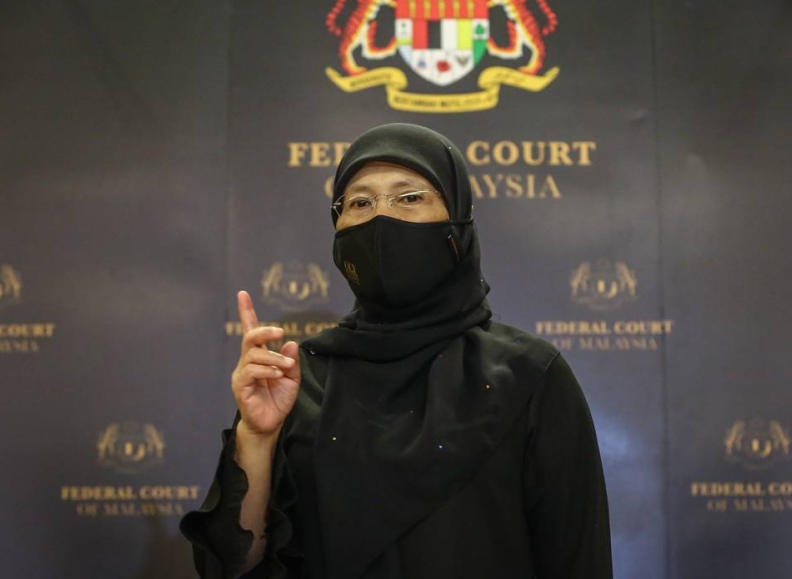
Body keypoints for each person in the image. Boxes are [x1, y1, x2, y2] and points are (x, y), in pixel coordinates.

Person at [180, 123, 613, 579]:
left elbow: (577, 558)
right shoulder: (295, 378)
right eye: (360, 203)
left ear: (458, 221)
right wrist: (257, 438)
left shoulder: (527, 375)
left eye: (409, 198)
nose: (381, 218)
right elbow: (229, 565)